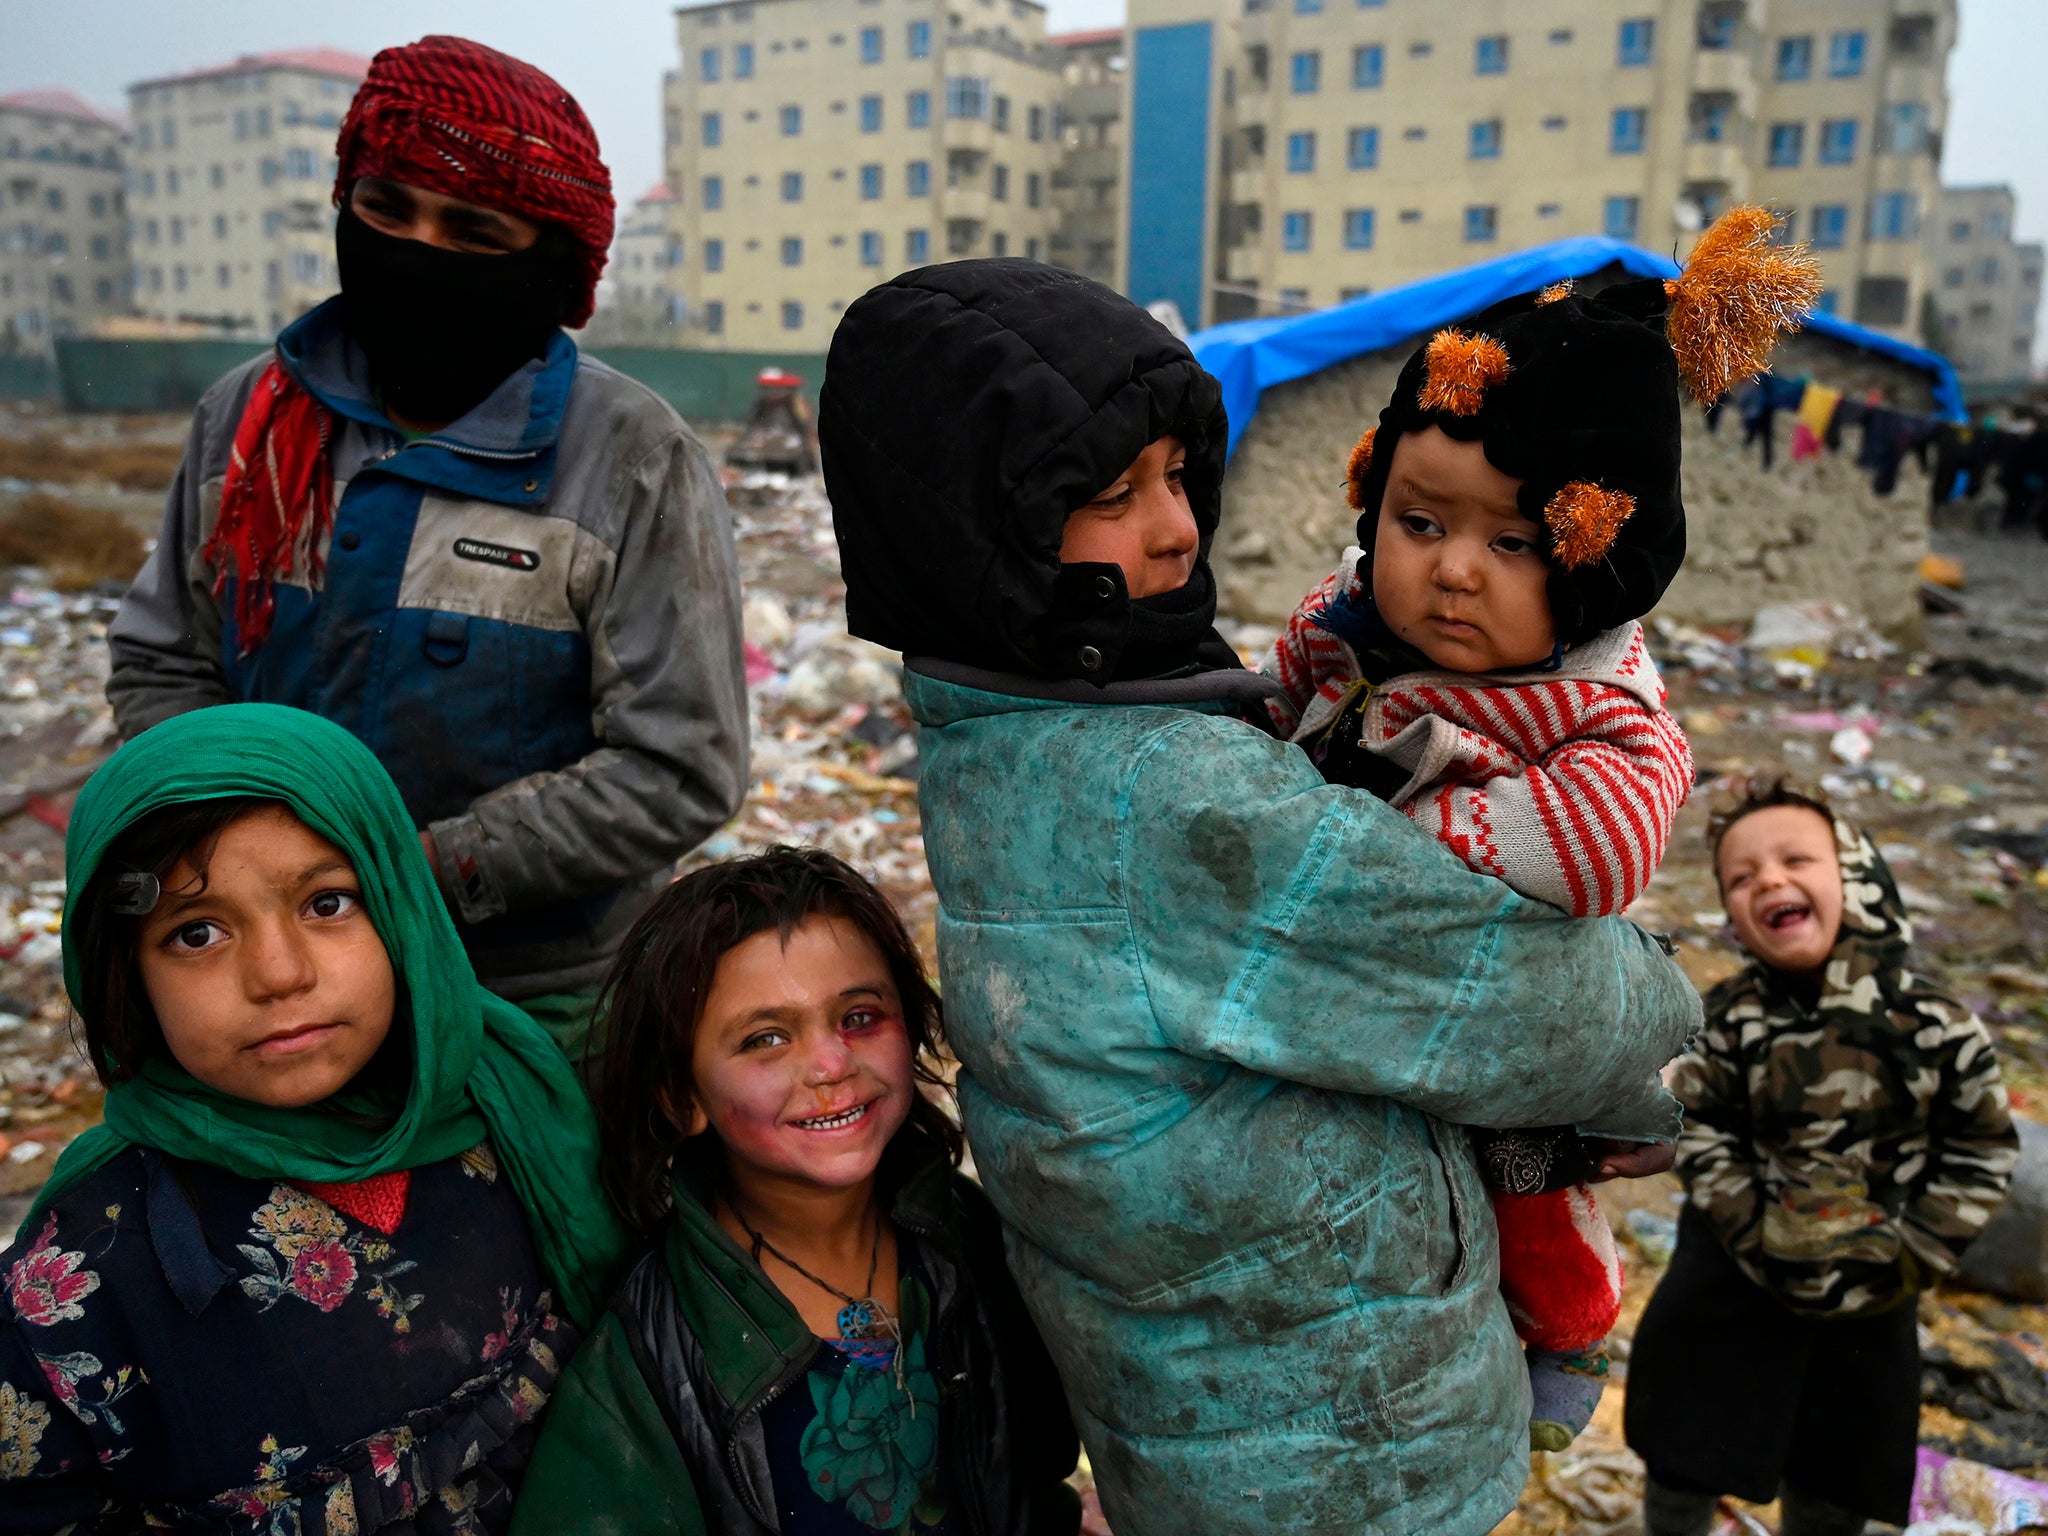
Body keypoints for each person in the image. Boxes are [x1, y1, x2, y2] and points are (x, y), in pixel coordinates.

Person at [818, 257, 1701, 1535]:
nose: (1176, 527)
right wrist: (1660, 992)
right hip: (1339, 1454)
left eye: (1177, 474)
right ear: (977, 535)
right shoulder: (1170, 797)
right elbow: (1540, 1014)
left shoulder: (995, 728)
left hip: (1199, 1419)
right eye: (1109, 494)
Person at [1261, 205, 1822, 1448]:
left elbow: (1593, 848)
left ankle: (1567, 1338)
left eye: (1513, 541)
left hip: (1505, 991)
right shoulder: (1364, 615)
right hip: (1353, 990)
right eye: (1420, 522)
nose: (1452, 570)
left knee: (1529, 1184)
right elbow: (1291, 681)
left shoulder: (1596, 700)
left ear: (1598, 556)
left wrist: (1401, 834)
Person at [104, 37, 749, 1058]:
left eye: (473, 230)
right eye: (387, 210)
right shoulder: (250, 422)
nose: (417, 249)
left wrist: (410, 872)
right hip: (271, 981)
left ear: (549, 264)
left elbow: (678, 768)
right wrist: (253, 859)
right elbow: (161, 659)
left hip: (531, 1005)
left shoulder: (629, 457)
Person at [0, 703, 626, 1531]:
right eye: (196, 933)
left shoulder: (514, 1114)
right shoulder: (85, 1270)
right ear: (123, 975)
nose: (278, 974)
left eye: (327, 904)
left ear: (402, 912)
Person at [510, 847, 1082, 1535]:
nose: (831, 1064)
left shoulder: (971, 1243)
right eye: (767, 1038)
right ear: (682, 1097)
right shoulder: (644, 1369)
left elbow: (1038, 1465)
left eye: (861, 1017)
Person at [1625, 774, 2019, 1536]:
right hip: (1732, 1285)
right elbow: (1699, 1126)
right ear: (1735, 913)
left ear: (1857, 874)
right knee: (1685, 1447)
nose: (1768, 879)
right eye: (1741, 878)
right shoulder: (1732, 1018)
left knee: (1839, 1473)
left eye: (1797, 860)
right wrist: (1755, 1232)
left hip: (1874, 1293)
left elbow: (1980, 1146)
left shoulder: (1933, 1025)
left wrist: (1913, 1252)